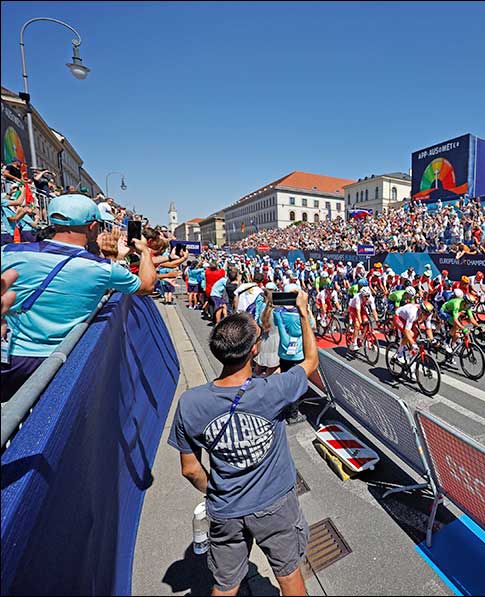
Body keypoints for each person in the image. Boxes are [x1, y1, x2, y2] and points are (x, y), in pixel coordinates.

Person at [168, 291, 318, 597]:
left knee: (225, 586)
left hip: (225, 509)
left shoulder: (190, 403)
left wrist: (217, 490)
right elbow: (311, 361)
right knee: (289, 576)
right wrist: (303, 312)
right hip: (275, 504)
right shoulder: (273, 389)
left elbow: (190, 470)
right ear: (254, 350)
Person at [0, 194, 157, 401]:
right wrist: (144, 252)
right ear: (92, 226)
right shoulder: (101, 268)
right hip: (56, 361)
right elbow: (146, 285)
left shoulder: (9, 251)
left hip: (8, 354)